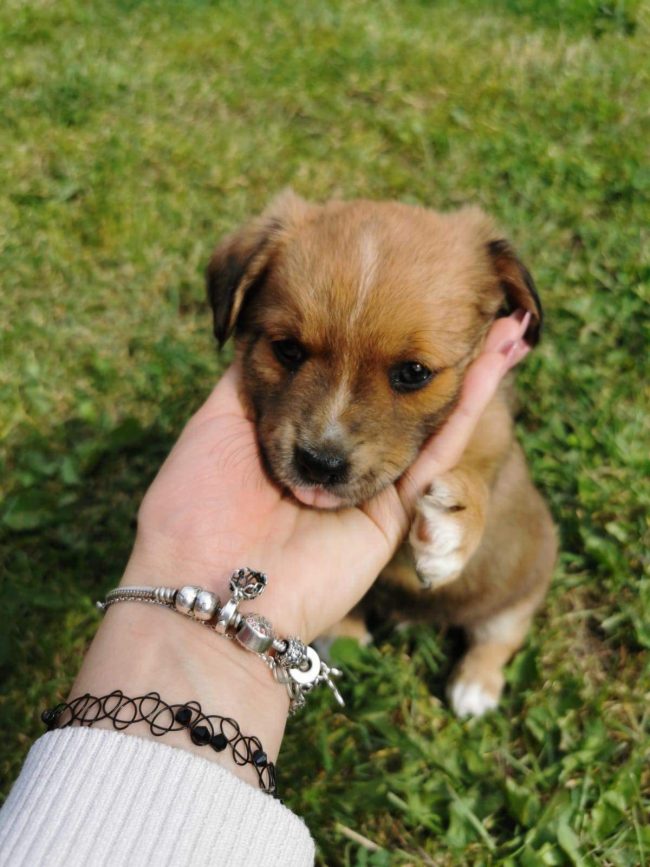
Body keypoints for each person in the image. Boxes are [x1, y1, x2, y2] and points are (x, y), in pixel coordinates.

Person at [0, 313, 530, 866]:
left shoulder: (478, 420)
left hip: (486, 591)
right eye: (291, 352)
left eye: (411, 374)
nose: (328, 436)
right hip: (365, 586)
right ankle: (350, 618)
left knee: (502, 614)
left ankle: (492, 650)